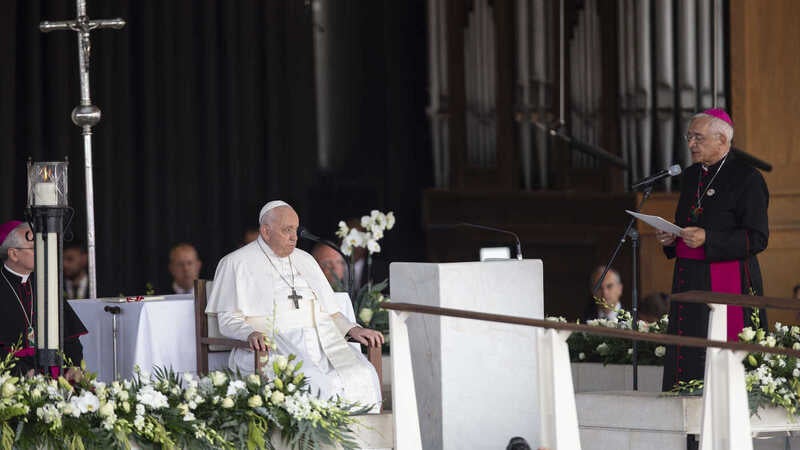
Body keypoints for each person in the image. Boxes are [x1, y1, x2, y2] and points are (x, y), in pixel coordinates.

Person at [206, 201, 383, 410]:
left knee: (363, 374)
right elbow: (228, 320)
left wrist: (353, 328)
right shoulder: (236, 263)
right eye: (287, 230)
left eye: (295, 230)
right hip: (269, 346)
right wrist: (249, 334)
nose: (294, 237)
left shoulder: (305, 259)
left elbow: (329, 312)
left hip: (321, 343)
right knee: (309, 379)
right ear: (266, 231)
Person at [655, 108, 768, 391]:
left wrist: (709, 238)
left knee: (720, 362)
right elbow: (687, 223)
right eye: (689, 137)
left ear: (722, 140)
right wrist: (673, 238)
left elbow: (757, 238)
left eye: (698, 138)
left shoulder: (748, 178)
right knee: (689, 356)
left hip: (726, 281)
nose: (691, 144)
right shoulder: (692, 176)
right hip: (689, 278)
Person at [0, 220, 87, 375]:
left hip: (52, 373)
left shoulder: (48, 285)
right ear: (13, 254)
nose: (42, 252)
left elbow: (69, 337)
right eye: (34, 248)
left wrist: (74, 365)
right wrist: (20, 371)